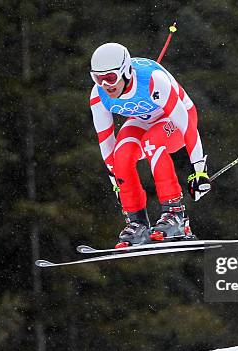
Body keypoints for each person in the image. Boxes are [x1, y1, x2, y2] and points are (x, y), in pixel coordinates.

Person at [89, 43, 211, 248]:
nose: (105, 85)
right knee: (121, 154)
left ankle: (175, 216)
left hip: (177, 121)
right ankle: (137, 223)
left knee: (151, 143)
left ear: (126, 71)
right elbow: (105, 139)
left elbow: (187, 126)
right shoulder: (98, 95)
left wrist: (199, 170)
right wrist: (115, 179)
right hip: (143, 119)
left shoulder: (154, 81)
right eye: (97, 78)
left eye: (110, 77)